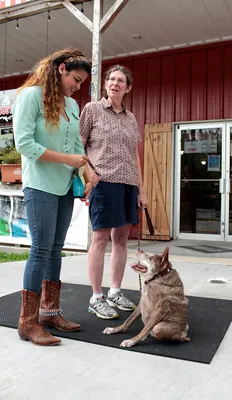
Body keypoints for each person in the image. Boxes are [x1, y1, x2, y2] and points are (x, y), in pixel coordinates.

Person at [13, 48, 92, 346]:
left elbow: (76, 147)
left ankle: (49, 312)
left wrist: (88, 175)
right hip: (40, 185)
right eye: (75, 78)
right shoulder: (30, 96)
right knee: (41, 249)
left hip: (64, 187)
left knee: (55, 249)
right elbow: (24, 144)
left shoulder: (71, 105)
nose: (78, 86)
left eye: (82, 82)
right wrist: (67, 160)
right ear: (60, 69)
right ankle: (27, 322)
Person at [80, 64, 148, 319]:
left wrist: (141, 190)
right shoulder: (92, 110)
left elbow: (134, 155)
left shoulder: (131, 118)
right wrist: (90, 175)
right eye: (111, 79)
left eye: (120, 80)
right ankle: (96, 297)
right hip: (104, 183)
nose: (114, 83)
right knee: (99, 239)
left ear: (128, 88)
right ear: (106, 84)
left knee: (121, 240)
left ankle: (115, 292)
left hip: (128, 185)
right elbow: (79, 145)